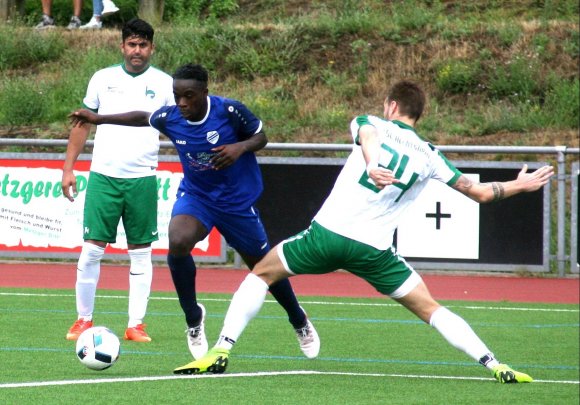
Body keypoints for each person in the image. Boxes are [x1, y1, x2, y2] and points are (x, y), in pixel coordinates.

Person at [173, 80, 554, 383]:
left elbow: (368, 138)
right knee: (431, 308)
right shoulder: (430, 154)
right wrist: (520, 185)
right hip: (374, 252)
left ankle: (221, 349)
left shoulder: (371, 122)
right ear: (418, 115)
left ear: (390, 106)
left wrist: (372, 164)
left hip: (326, 237)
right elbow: (479, 193)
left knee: (261, 274)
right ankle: (494, 363)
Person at [69, 63, 321, 361]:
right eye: (176, 96)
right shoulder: (172, 116)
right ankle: (192, 317)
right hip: (198, 197)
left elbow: (260, 137)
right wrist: (98, 118)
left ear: (205, 91)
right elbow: (142, 117)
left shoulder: (229, 112)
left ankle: (298, 319)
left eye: (189, 96)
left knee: (264, 267)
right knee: (177, 240)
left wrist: (239, 148)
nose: (182, 103)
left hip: (235, 202)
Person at [62, 18, 175, 343]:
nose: (136, 50)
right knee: (92, 250)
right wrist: (68, 168)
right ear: (122, 46)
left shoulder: (165, 84)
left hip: (142, 179)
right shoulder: (102, 79)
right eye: (131, 44)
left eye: (143, 45)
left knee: (140, 253)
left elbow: (178, 127)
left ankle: (135, 325)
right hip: (103, 178)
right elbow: (82, 124)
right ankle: (83, 319)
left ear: (151, 48)